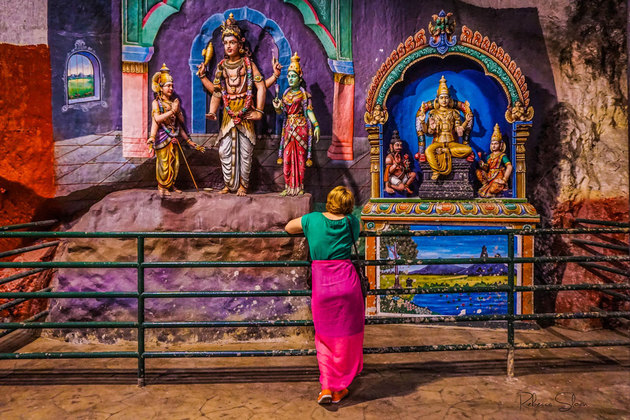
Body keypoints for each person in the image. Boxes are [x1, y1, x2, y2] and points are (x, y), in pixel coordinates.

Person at [285, 186, 363, 404]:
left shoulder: (311, 220)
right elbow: (355, 235)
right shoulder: (352, 222)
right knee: (348, 337)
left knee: (325, 338)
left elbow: (289, 227)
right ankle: (341, 386)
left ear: (329, 201)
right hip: (348, 284)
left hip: (323, 285)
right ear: (348, 206)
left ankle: (327, 387)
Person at [197, 13, 281, 196]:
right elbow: (217, 91)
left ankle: (243, 185)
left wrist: (258, 111)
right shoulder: (221, 66)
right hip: (228, 113)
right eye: (225, 43)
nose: (228, 46)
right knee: (225, 151)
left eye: (232, 42)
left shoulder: (248, 64)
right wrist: (211, 107)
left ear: (240, 44)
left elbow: (260, 86)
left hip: (245, 112)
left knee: (244, 151)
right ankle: (228, 184)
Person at [148, 64, 205, 197]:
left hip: (174, 137)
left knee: (175, 163)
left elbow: (180, 124)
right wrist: (151, 137)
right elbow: (157, 119)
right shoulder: (157, 103)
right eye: (168, 86)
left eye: (172, 86)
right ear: (160, 88)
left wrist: (190, 142)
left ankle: (171, 185)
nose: (171, 88)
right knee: (164, 163)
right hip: (162, 137)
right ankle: (162, 187)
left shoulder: (174, 102)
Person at [273, 52, 320, 196]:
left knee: (300, 159)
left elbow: (309, 111)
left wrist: (316, 125)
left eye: (293, 76)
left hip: (301, 129)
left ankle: (299, 186)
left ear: (300, 78)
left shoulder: (304, 95)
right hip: (288, 129)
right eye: (289, 76)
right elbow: (282, 113)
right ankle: (288, 186)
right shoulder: (285, 94)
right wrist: (277, 107)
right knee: (287, 159)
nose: (291, 79)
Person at [416, 75, 474, 180]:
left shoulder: (454, 113)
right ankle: (436, 171)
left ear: (449, 99)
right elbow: (427, 131)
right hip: (438, 142)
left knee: (468, 149)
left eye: (446, 97)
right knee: (428, 151)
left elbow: (458, 130)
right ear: (437, 99)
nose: (444, 100)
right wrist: (423, 122)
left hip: (451, 143)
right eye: (442, 97)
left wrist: (466, 122)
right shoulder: (433, 113)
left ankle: (445, 151)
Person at [476, 124, 513, 197]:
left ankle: (494, 189)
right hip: (489, 176)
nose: (494, 145)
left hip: (498, 177)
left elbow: (509, 167)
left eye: (496, 143)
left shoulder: (502, 156)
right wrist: (483, 165)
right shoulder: (489, 156)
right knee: (478, 172)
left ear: (501, 145)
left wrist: (504, 179)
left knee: (493, 189)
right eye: (492, 144)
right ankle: (486, 185)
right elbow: (487, 168)